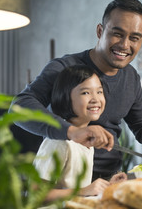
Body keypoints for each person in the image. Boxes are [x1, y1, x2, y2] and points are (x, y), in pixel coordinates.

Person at [11, 0, 142, 180]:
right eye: (117, 34)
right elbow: (19, 107)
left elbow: (141, 126)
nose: (125, 45)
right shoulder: (64, 68)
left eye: (134, 38)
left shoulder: (130, 76)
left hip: (109, 180)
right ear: (100, 31)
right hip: (65, 181)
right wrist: (72, 132)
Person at [33, 65, 127, 200]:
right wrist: (84, 190)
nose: (95, 99)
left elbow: (79, 191)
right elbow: (35, 195)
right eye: (85, 93)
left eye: (99, 92)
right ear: (65, 97)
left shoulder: (87, 139)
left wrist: (108, 186)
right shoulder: (58, 141)